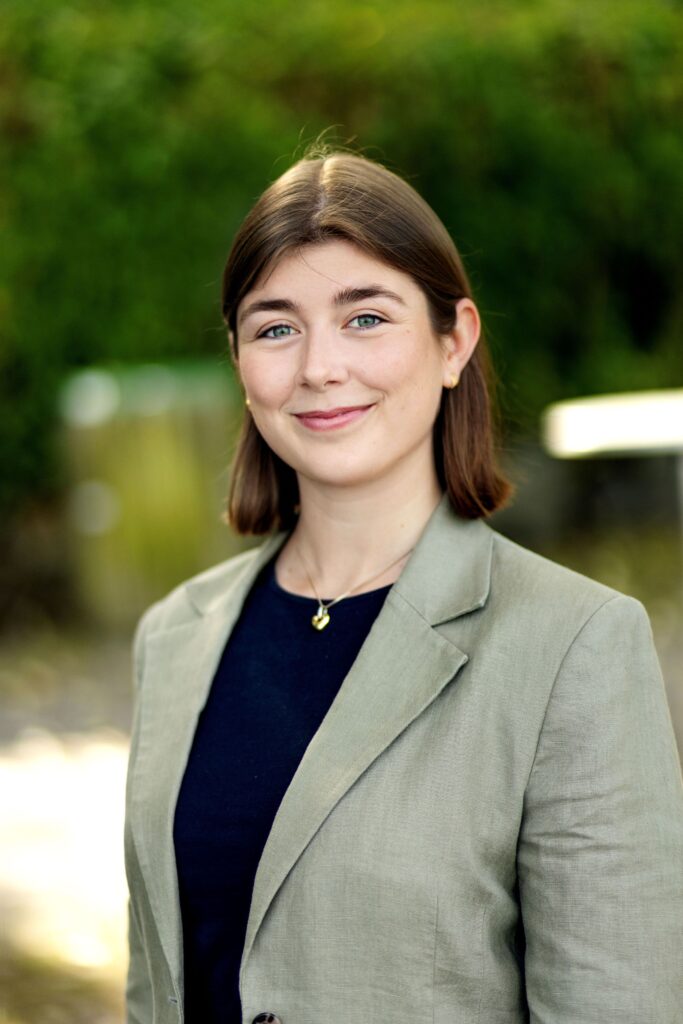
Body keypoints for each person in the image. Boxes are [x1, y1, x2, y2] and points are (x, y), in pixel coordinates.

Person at [123, 146, 683, 1024]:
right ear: (238, 359)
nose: (319, 366)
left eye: (365, 318)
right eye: (275, 328)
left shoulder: (574, 646)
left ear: (453, 341)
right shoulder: (173, 635)